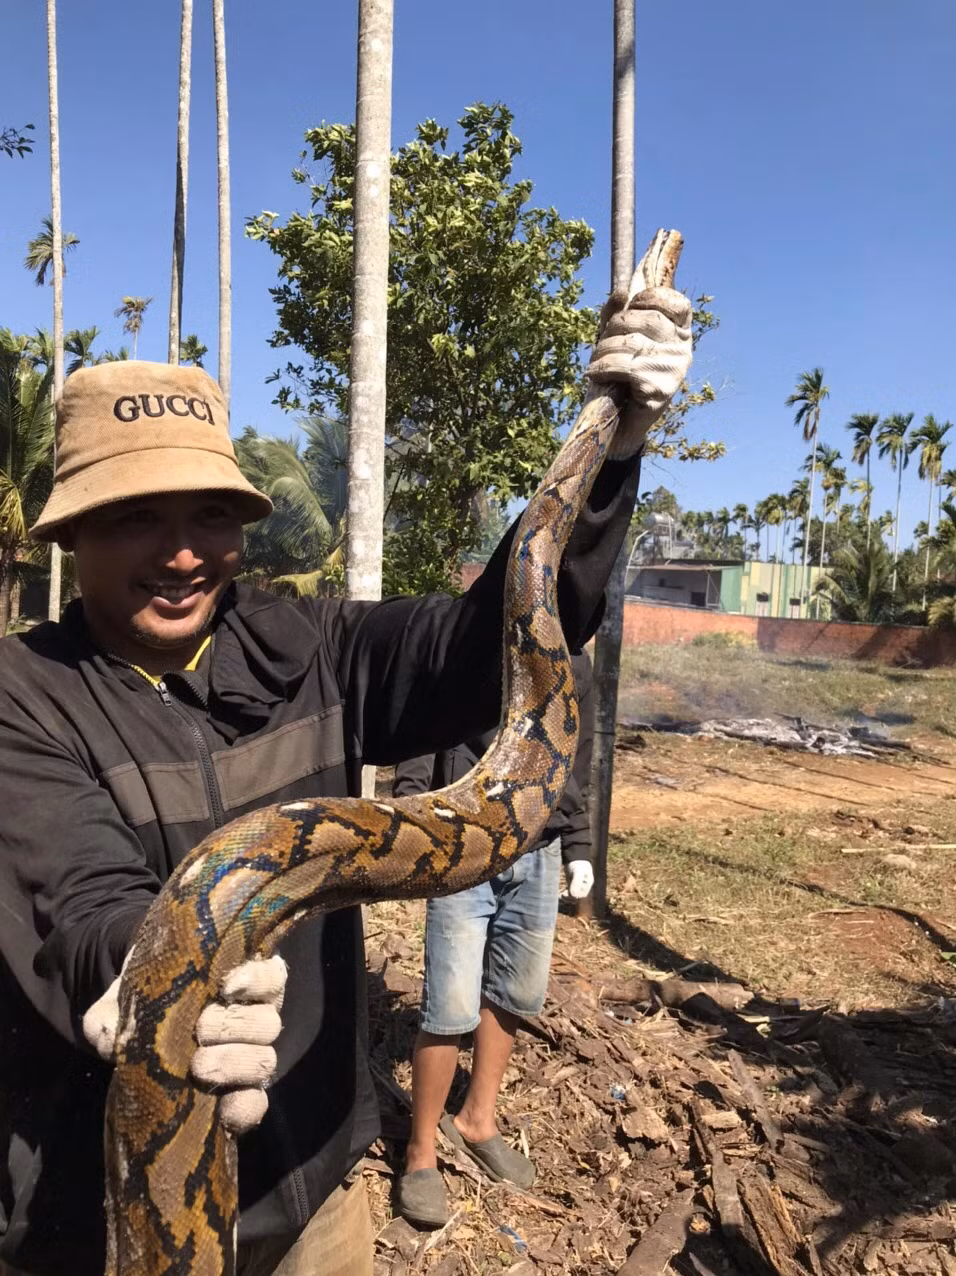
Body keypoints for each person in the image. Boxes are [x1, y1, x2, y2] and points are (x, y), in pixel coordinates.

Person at [0, 272, 691, 1276]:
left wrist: (610, 453)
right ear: (71, 532)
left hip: (312, 1178)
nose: (184, 552)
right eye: (136, 519)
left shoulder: (307, 645)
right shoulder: (24, 691)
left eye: (210, 515)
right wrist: (158, 981)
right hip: (96, 1215)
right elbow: (76, 895)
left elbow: (486, 643)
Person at [393, 649, 594, 1228]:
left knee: (513, 993)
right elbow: (418, 726)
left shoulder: (574, 661)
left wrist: (578, 844)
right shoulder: (469, 642)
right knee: (449, 1005)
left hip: (541, 849)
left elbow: (574, 759)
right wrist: (416, 815)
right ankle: (421, 1151)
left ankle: (478, 1118)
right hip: (463, 844)